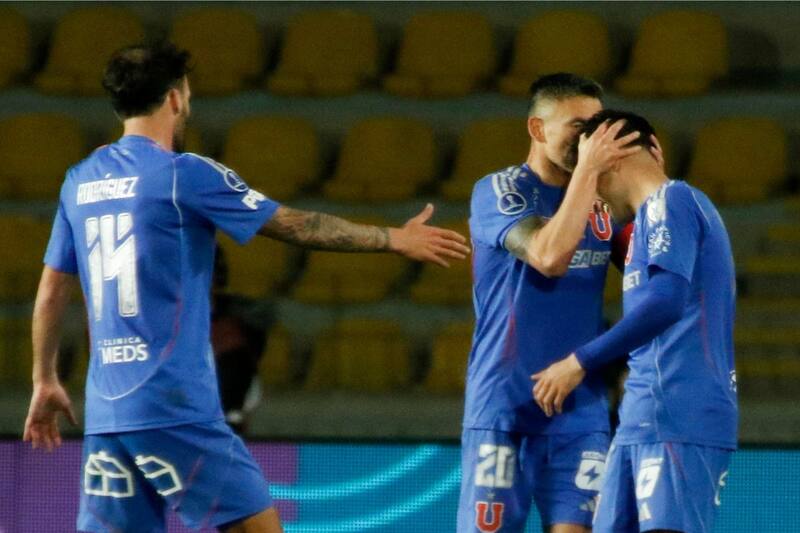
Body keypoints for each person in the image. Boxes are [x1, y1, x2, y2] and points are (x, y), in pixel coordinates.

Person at [22, 42, 470, 533]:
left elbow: (50, 292)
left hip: (108, 413)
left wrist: (45, 379)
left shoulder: (78, 181)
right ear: (174, 99)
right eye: (187, 94)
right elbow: (296, 225)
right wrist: (393, 239)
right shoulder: (184, 174)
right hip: (173, 406)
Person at [532, 109, 737, 533]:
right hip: (640, 417)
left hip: (680, 411)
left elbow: (666, 303)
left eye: (590, 173)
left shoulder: (673, 200)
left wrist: (579, 362)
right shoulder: (647, 223)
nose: (591, 193)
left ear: (613, 156)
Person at [459, 73, 646, 533]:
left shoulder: (604, 204)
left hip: (581, 412)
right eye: (576, 126)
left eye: (595, 126)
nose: (589, 139)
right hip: (505, 405)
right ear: (537, 129)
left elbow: (651, 281)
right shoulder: (500, 191)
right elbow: (548, 256)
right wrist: (587, 173)